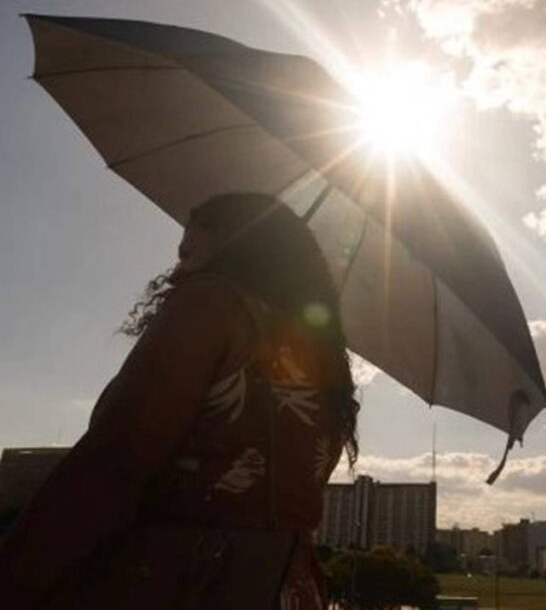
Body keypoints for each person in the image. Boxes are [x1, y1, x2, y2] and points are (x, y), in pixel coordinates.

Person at [0, 192, 359, 608]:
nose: (179, 262)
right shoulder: (327, 360)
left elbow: (118, 458)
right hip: (287, 588)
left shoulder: (211, 302)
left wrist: (15, 575)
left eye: (191, 246)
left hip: (182, 578)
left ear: (236, 242)